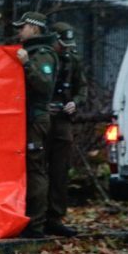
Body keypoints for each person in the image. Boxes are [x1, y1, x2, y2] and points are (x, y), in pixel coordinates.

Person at [13, 11, 58, 239]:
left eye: (23, 27)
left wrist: (27, 64)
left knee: (35, 168)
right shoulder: (31, 52)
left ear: (34, 28)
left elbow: (44, 85)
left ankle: (36, 225)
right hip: (27, 118)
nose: (19, 31)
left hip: (36, 119)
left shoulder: (42, 54)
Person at [45, 22, 88, 237]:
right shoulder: (42, 57)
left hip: (62, 119)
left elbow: (82, 88)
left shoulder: (72, 60)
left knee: (60, 170)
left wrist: (75, 103)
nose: (65, 48)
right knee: (38, 169)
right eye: (62, 44)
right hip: (42, 118)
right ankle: (36, 216)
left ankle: (55, 217)